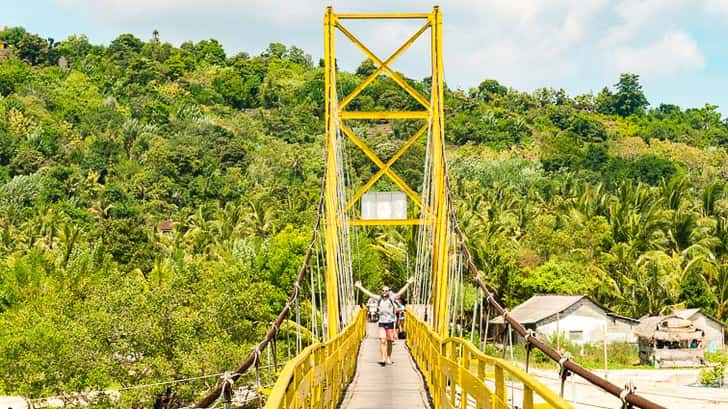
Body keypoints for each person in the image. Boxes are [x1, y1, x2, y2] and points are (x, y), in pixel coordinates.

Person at [354, 277, 414, 366]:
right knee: (382, 340)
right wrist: (360, 287)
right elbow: (369, 294)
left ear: (389, 291)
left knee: (389, 341)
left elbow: (400, 292)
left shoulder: (392, 298)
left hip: (390, 322)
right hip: (382, 322)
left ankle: (389, 357)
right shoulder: (379, 299)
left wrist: (408, 283)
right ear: (381, 291)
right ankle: (382, 358)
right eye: (383, 290)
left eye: (386, 291)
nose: (384, 292)